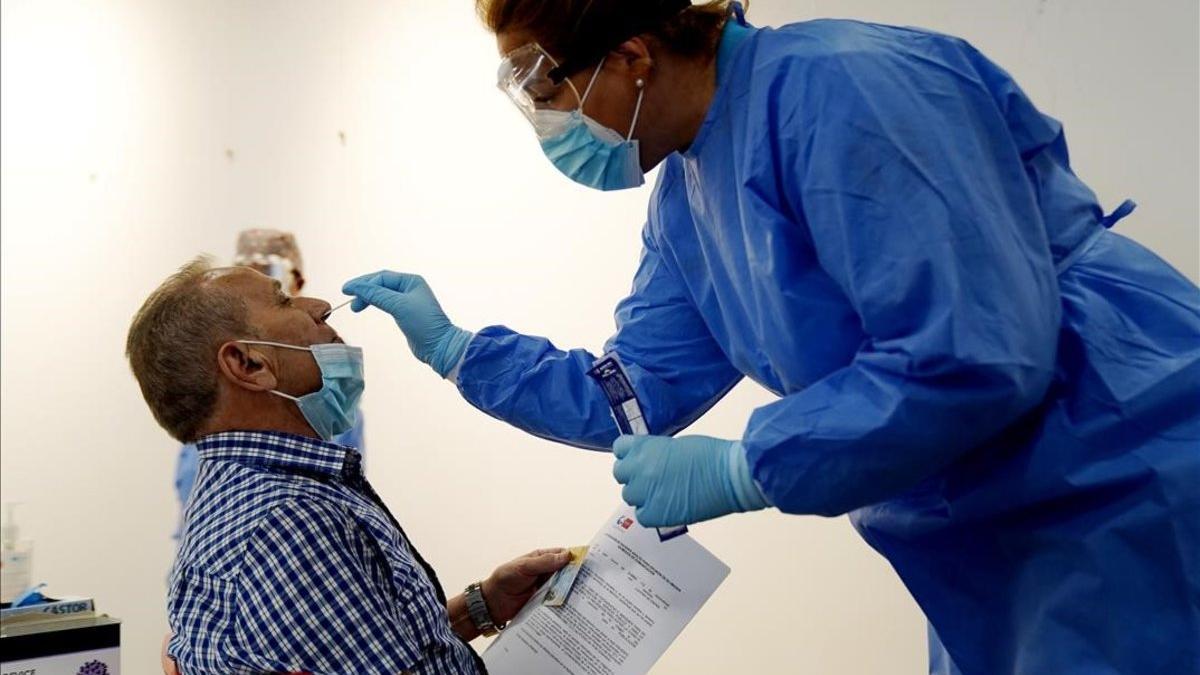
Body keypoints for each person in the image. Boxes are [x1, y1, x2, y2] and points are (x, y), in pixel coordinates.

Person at [342, 1, 1200, 673]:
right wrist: (458, 350)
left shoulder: (848, 88)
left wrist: (746, 464)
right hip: (988, 531)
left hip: (1116, 464)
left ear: (635, 55)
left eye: (549, 92)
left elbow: (974, 352)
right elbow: (634, 390)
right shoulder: (686, 197)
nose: (548, 124)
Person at [128, 258, 569, 674]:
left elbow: (374, 654)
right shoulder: (287, 523)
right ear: (247, 363)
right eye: (284, 299)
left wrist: (483, 606)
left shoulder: (262, 493)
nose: (319, 307)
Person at [171, 229, 365, 541]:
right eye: (245, 272)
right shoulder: (215, 389)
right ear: (242, 364)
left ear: (298, 281)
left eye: (278, 288)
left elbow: (346, 496)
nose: (320, 308)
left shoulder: (328, 382)